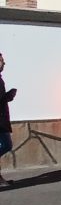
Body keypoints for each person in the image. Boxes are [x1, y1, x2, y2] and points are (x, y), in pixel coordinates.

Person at [0, 53, 16, 186]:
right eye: (1, 61)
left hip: (2, 118)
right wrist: (8, 96)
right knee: (6, 145)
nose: (4, 64)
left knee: (6, 145)